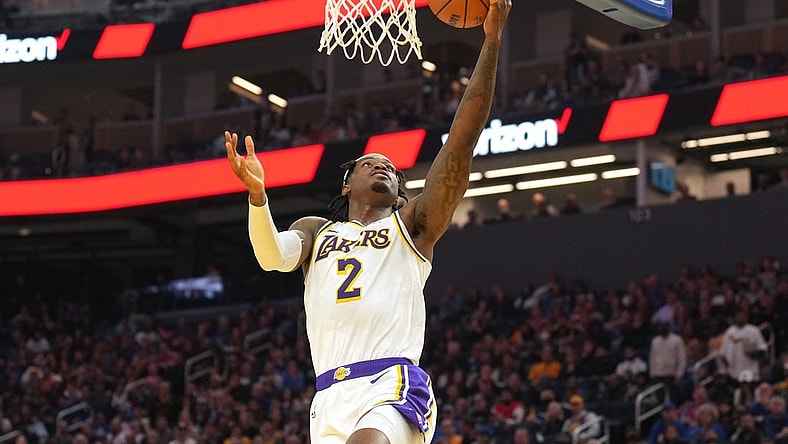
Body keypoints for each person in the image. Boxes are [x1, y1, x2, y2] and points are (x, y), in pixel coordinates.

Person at [223, 1, 512, 442]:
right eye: (371, 164)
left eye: (393, 170)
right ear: (347, 184)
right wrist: (258, 197)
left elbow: (461, 141)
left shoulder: (413, 225)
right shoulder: (317, 231)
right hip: (328, 398)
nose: (385, 169)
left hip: (390, 386)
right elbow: (271, 256)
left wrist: (491, 42)